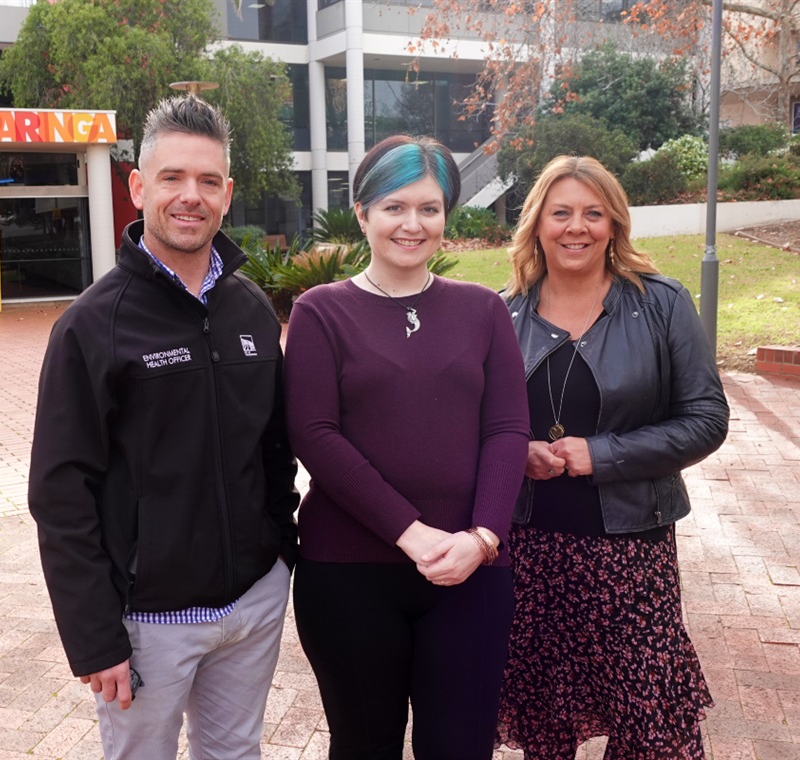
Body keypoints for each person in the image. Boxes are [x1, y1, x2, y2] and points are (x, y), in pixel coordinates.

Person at [27, 95, 299, 760]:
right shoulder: (91, 327)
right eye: (173, 178)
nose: (191, 196)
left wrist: (280, 549)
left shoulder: (251, 310)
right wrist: (94, 637)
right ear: (138, 186)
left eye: (208, 181)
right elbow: (61, 496)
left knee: (236, 751)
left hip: (252, 604)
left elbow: (274, 447)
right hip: (148, 621)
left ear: (228, 194)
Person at [284, 135, 530, 759]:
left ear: (447, 215)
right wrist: (410, 532)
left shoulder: (483, 311)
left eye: (429, 208)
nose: (412, 224)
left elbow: (507, 429)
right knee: (365, 746)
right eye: (394, 207)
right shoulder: (321, 313)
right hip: (348, 577)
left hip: (470, 571)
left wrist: (482, 539)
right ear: (362, 214)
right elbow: (315, 434)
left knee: (461, 747)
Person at [496, 155, 729, 758]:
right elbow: (480, 425)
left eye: (593, 213)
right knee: (547, 729)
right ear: (538, 224)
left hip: (632, 553)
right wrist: (515, 452)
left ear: (614, 225)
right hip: (533, 553)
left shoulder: (661, 304)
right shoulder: (503, 313)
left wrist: (599, 455)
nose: (577, 227)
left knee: (650, 725)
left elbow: (706, 420)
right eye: (562, 212)